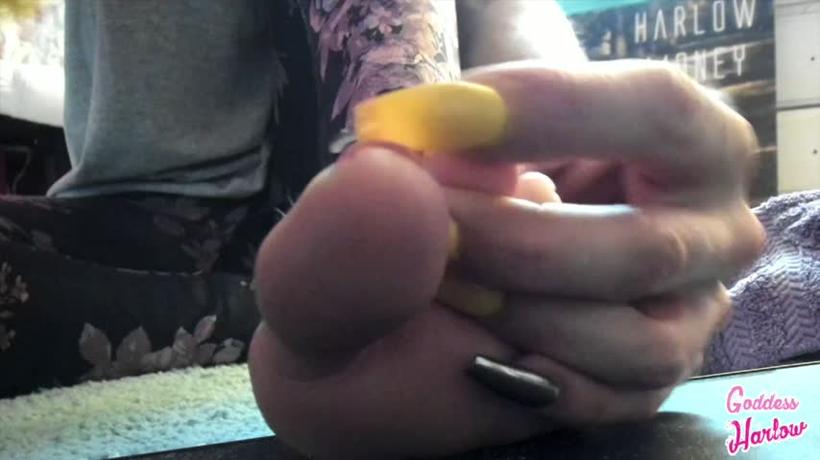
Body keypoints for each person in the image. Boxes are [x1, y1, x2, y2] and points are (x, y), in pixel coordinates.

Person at [0, 1, 764, 459]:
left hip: (336, 178)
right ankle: (383, 250)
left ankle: (407, 219)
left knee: (393, 188)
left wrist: (560, 139)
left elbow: (503, 16)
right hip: (122, 220)